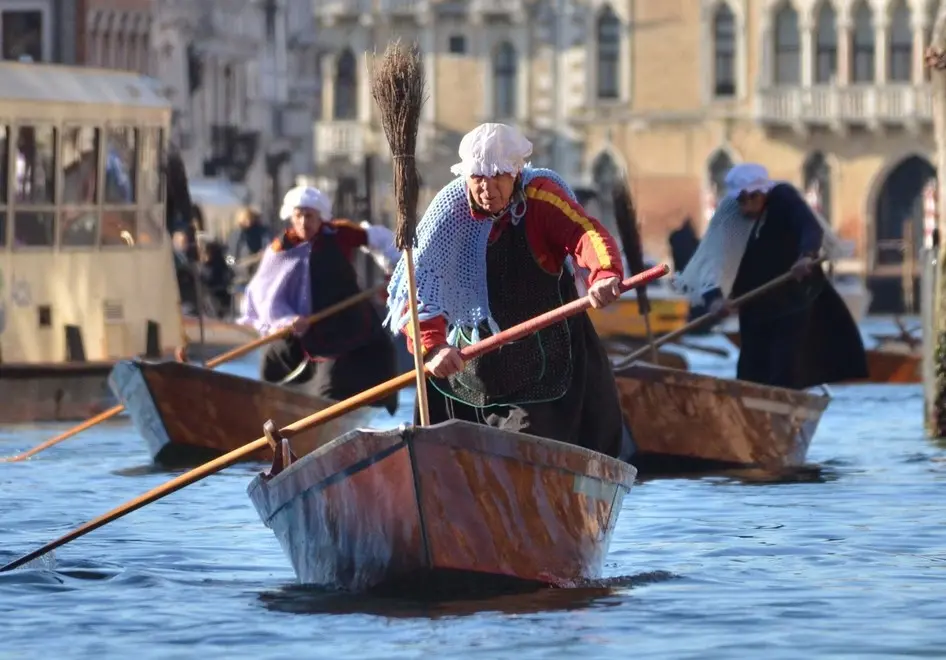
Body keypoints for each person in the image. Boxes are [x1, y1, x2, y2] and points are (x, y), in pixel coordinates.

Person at [384, 122, 630, 459]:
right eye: (477, 178)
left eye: (498, 175)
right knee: (438, 447)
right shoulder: (447, 215)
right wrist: (433, 347)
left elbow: (584, 233)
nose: (487, 189)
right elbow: (420, 292)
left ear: (516, 172)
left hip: (545, 359)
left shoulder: (542, 197)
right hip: (468, 362)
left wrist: (604, 275)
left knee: (547, 441)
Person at [673, 163, 868, 389]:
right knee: (749, 372)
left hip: (794, 296)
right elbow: (713, 260)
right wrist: (714, 299)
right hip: (755, 302)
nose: (746, 206)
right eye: (741, 200)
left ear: (764, 192)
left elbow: (809, 228)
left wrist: (806, 256)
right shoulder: (730, 213)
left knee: (785, 368)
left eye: (752, 197)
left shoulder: (783, 198)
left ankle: (785, 406)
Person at [238, 186, 402, 414]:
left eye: (310, 216)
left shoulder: (340, 233)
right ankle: (278, 413)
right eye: (299, 215)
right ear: (291, 216)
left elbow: (381, 240)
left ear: (320, 217)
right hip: (303, 328)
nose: (304, 222)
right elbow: (266, 295)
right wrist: (288, 319)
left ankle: (349, 414)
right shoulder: (281, 248)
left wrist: (393, 271)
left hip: (347, 321)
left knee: (374, 358)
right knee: (279, 363)